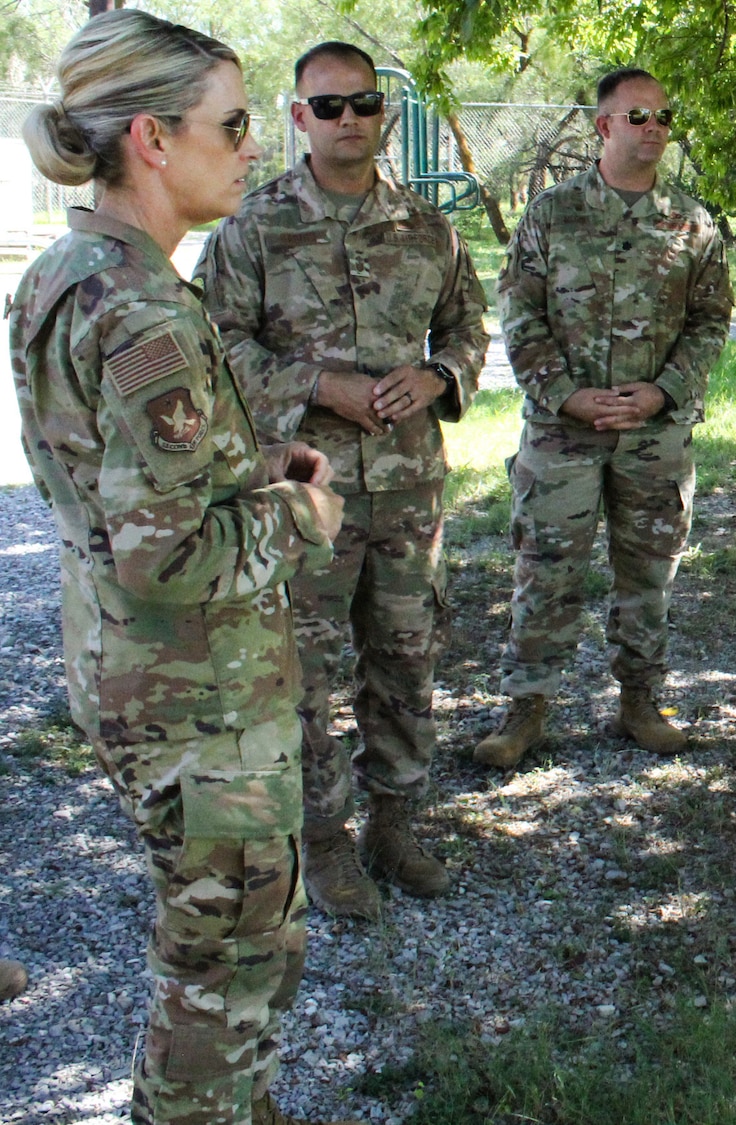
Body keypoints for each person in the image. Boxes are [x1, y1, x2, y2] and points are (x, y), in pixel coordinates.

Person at [8, 11, 352, 1125]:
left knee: (228, 945)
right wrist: (300, 512)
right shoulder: (144, 304)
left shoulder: (72, 271)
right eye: (235, 123)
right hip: (192, 700)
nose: (255, 145)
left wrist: (248, 457)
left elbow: (106, 468)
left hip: (131, 674)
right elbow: (169, 558)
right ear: (153, 139)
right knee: (227, 966)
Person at [197, 41, 488, 921]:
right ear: (297, 119)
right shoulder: (253, 226)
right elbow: (214, 345)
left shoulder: (427, 227)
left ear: (383, 113)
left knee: (406, 656)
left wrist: (439, 378)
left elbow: (468, 325)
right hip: (306, 495)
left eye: (363, 103)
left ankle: (394, 826)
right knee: (308, 670)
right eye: (328, 107)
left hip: (408, 487)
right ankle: (322, 841)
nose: (349, 119)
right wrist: (320, 386)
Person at [474, 66, 732, 768]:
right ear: (604, 127)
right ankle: (525, 709)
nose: (654, 129)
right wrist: (563, 392)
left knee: (649, 573)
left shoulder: (693, 222)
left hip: (653, 434)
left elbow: (711, 320)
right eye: (638, 116)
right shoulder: (552, 214)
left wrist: (663, 391)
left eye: (664, 118)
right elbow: (519, 310)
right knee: (546, 567)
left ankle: (640, 700)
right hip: (564, 430)